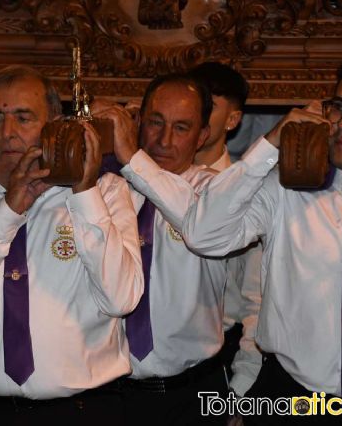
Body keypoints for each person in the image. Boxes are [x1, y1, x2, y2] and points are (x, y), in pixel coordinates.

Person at [0, 64, 143, 425]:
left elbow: (122, 298)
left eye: (23, 118)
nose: (7, 133)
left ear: (54, 123)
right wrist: (7, 210)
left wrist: (83, 193)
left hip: (83, 411)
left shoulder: (106, 193)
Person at [183, 52, 342, 425]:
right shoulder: (288, 184)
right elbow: (203, 235)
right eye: (338, 108)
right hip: (290, 396)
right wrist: (269, 144)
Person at [92, 73, 228, 425]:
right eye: (155, 122)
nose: (164, 140)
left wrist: (133, 159)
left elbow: (201, 220)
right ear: (137, 122)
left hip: (192, 394)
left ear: (202, 137)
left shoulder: (214, 191)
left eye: (181, 128)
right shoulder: (105, 190)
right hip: (106, 391)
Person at [188, 61, 263, 400]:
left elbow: (255, 299)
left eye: (209, 105)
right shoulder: (145, 181)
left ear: (233, 120)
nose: (196, 114)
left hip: (216, 357)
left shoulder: (248, 195)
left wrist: (242, 388)